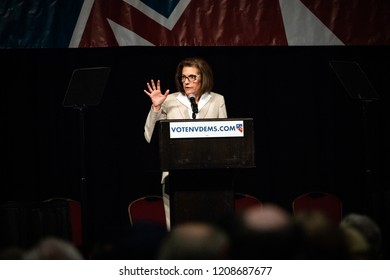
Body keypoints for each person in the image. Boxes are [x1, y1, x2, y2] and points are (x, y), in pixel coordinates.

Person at [143, 57, 228, 230]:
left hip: (208, 175)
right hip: (174, 175)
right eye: (183, 77)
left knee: (206, 226)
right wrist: (156, 108)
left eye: (191, 77)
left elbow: (225, 138)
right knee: (176, 227)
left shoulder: (217, 100)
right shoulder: (168, 100)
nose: (186, 82)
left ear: (203, 78)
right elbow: (149, 135)